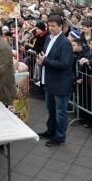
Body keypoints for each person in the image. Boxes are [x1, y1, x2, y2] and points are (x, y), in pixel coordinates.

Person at [37, 15, 74, 147]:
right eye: (49, 26)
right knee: (51, 109)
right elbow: (45, 56)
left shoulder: (65, 42)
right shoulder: (48, 38)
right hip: (49, 80)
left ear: (60, 27)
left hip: (61, 83)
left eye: (53, 26)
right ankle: (50, 131)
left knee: (60, 112)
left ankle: (59, 137)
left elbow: (65, 63)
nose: (50, 28)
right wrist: (41, 60)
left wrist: (45, 61)